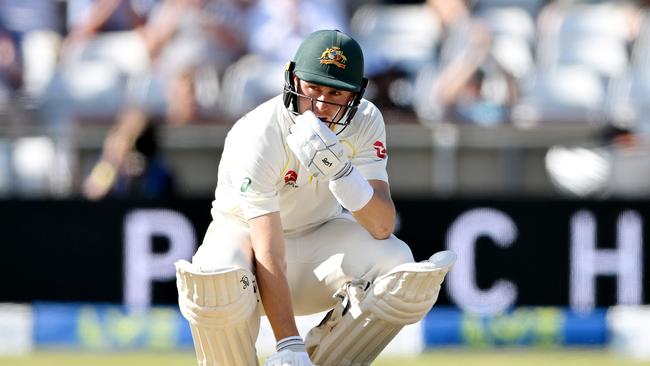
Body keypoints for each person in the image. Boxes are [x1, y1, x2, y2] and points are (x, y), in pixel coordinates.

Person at [174, 29, 456, 366]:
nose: (321, 106)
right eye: (313, 89)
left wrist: (341, 173)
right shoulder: (259, 133)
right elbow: (267, 248)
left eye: (336, 93)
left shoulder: (366, 121)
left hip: (315, 244)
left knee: (399, 268)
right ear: (293, 78)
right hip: (245, 244)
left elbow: (381, 226)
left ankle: (322, 360)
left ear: (356, 94)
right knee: (216, 282)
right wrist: (287, 343)